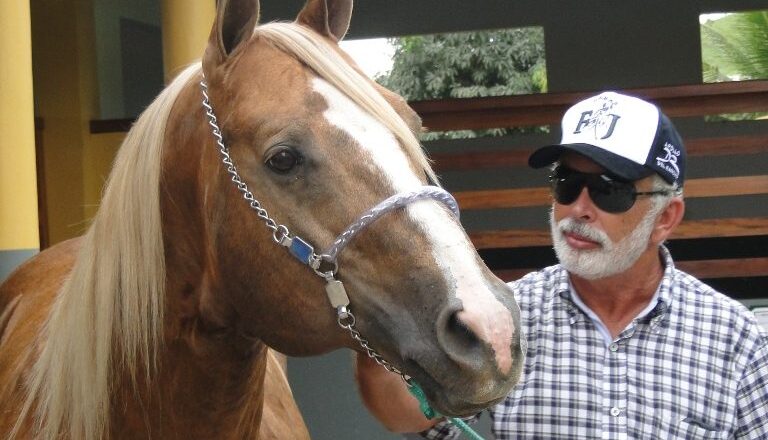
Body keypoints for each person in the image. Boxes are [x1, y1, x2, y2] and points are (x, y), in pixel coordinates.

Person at [355, 91, 768, 439]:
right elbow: (414, 416)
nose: (579, 209)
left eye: (609, 191)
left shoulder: (734, 340)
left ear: (665, 218)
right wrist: (374, 334)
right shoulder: (505, 315)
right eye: (567, 183)